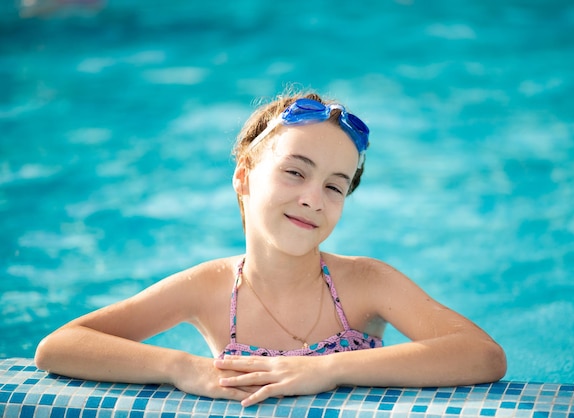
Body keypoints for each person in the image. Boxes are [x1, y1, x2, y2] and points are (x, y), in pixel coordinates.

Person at [35, 89, 507, 407]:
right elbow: (59, 346)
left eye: (334, 186)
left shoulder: (366, 283)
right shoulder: (209, 289)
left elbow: (482, 355)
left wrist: (332, 371)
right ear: (243, 178)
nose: (312, 198)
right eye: (295, 172)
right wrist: (181, 368)